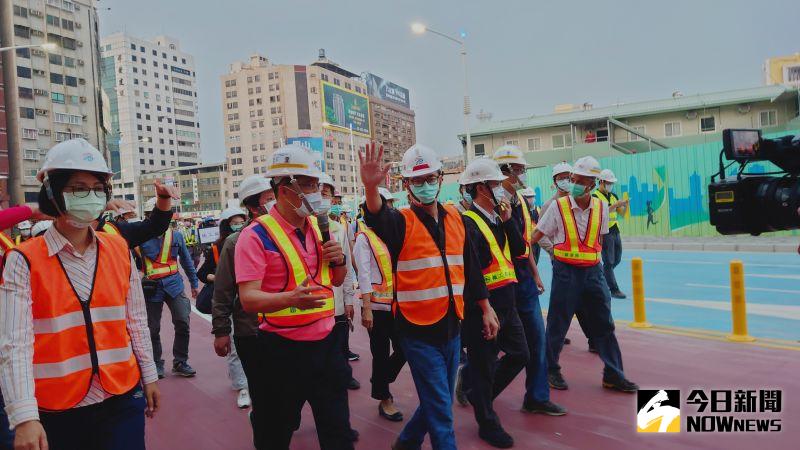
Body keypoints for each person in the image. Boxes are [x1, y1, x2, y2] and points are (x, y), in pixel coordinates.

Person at [0, 138, 160, 450]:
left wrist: (149, 375)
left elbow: (136, 320)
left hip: (122, 396)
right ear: (52, 193)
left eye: (98, 187)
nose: (90, 195)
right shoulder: (24, 260)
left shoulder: (118, 249)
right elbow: (15, 344)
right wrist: (23, 416)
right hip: (58, 407)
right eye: (77, 187)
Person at [359, 142, 498, 450]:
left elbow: (472, 268)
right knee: (442, 414)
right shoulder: (400, 222)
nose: (425, 185)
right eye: (417, 180)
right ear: (407, 185)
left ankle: (406, 442)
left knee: (440, 400)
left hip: (452, 327)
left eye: (430, 178)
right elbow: (378, 217)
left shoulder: (455, 218)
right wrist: (371, 189)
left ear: (440, 178)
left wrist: (486, 307)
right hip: (417, 332)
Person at [236, 144, 354, 449]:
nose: (316, 192)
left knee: (338, 432)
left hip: (327, 346)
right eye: (308, 185)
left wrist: (339, 260)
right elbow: (249, 299)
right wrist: (291, 299)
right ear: (284, 189)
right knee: (274, 434)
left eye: (317, 185)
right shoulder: (254, 236)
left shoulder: (319, 227)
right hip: (281, 352)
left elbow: (336, 281)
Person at [530, 156, 638, 393]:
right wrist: (534, 267)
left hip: (593, 273)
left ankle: (613, 374)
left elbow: (598, 240)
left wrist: (596, 269)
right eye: (573, 179)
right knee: (558, 324)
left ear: (591, 183)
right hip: (566, 273)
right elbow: (535, 237)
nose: (574, 183)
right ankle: (551, 369)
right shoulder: (558, 207)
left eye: (579, 180)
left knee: (605, 324)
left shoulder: (599, 207)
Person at [458, 158, 530, 448]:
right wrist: (484, 306)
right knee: (484, 365)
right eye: (496, 185)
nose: (501, 189)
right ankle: (486, 421)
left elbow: (520, 250)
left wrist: (509, 219)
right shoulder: (467, 223)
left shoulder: (499, 218)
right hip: (483, 307)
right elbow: (474, 269)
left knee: (520, 354)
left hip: (507, 302)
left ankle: (478, 395)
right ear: (480, 188)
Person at [491, 146, 567, 416]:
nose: (523, 174)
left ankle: (536, 396)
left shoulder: (520, 201)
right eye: (519, 169)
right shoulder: (490, 204)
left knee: (537, 340)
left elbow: (524, 244)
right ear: (506, 171)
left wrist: (534, 273)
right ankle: (474, 385)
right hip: (500, 284)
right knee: (497, 346)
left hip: (522, 279)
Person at [211, 175, 275, 449]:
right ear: (252, 207)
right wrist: (221, 330)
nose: (276, 203)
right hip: (252, 331)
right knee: (262, 393)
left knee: (286, 389)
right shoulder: (236, 243)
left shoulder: (291, 235)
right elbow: (223, 290)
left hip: (286, 329)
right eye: (269, 199)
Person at [355, 187, 406, 422]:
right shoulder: (364, 238)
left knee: (405, 347)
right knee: (380, 353)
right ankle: (384, 399)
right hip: (376, 307)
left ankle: (381, 380)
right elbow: (363, 275)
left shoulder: (393, 233)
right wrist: (366, 309)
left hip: (398, 305)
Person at [140, 197, 200, 379]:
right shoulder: (140, 237)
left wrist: (194, 284)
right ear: (148, 217)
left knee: (183, 321)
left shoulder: (177, 236)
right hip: (151, 288)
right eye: (153, 215)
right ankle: (157, 363)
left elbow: (188, 262)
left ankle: (180, 361)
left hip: (174, 285)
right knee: (152, 328)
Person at [200, 206, 251, 408]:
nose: (238, 225)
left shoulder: (252, 239)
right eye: (233, 222)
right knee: (235, 349)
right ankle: (242, 387)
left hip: (254, 300)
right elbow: (202, 273)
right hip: (231, 301)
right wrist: (219, 278)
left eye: (240, 221)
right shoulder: (218, 247)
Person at [319, 172, 361, 391]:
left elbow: (345, 268)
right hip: (314, 306)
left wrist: (348, 300)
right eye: (317, 192)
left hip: (335, 302)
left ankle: (344, 374)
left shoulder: (338, 228)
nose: (321, 197)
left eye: (325, 194)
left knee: (340, 341)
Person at [594, 169, 628, 299]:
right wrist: (615, 205)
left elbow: (622, 214)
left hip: (615, 230)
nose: (610, 185)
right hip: (604, 232)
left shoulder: (614, 196)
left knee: (617, 259)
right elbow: (600, 213)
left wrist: (625, 206)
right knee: (608, 261)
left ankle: (600, 275)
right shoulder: (595, 197)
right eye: (608, 182)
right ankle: (614, 289)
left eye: (611, 183)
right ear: (601, 182)